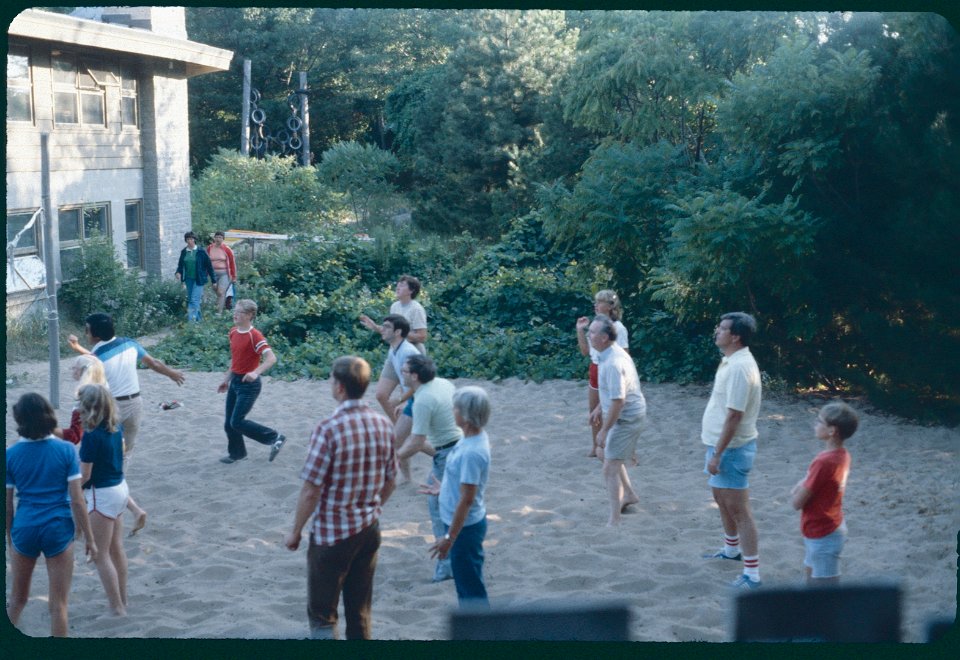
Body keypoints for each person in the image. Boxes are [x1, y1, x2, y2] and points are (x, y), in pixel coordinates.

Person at [284, 356, 398, 640]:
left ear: (340, 388)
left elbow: (311, 490)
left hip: (333, 532)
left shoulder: (329, 427)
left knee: (322, 614)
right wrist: (371, 507)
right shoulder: (383, 424)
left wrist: (296, 531)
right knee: (359, 611)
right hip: (369, 527)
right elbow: (391, 480)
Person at [6, 392, 98, 637]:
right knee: (59, 605)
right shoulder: (66, 450)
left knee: (17, 599)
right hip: (57, 526)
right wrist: (89, 537)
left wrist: (9, 538)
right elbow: (77, 500)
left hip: (24, 527)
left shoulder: (10, 454)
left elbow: (7, 506)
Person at [700, 312, 763, 589]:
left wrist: (718, 453)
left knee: (739, 509)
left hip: (732, 449)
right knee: (721, 498)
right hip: (719, 445)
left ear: (735, 336)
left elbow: (734, 415)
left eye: (722, 328)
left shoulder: (740, 367)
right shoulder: (731, 360)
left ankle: (752, 574)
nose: (717, 331)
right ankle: (731, 550)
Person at [54, 354, 147, 536]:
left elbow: (74, 436)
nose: (71, 371)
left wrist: (49, 428)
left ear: (82, 372)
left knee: (78, 486)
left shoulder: (84, 398)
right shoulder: (103, 389)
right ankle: (136, 510)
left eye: (74, 368)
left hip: (101, 483)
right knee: (111, 476)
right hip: (113, 452)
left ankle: (78, 528)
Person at [67, 311, 185, 455]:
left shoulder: (97, 355)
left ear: (95, 335)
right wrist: (171, 373)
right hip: (135, 403)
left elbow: (96, 360)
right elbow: (153, 363)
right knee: (126, 451)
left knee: (106, 450)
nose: (86, 333)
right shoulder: (130, 343)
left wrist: (77, 349)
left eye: (87, 330)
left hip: (111, 406)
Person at [420, 386, 492, 608]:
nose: (453, 411)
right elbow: (464, 485)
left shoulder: (472, 452)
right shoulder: (470, 437)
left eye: (456, 408)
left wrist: (449, 537)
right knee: (467, 585)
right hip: (464, 526)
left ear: (467, 417)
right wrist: (445, 489)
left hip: (465, 529)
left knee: (470, 591)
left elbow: (467, 499)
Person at [398, 354, 461, 582]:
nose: (402, 374)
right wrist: (408, 405)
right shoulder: (443, 384)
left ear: (414, 376)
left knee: (438, 507)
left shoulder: (423, 399)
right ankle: (456, 557)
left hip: (446, 453)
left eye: (404, 371)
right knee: (453, 504)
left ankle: (446, 566)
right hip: (461, 446)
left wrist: (394, 457)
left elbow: (415, 442)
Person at [580, 315, 646, 526]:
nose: (589, 336)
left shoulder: (613, 362)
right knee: (604, 454)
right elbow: (613, 394)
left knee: (609, 467)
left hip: (627, 418)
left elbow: (619, 401)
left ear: (605, 337)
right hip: (622, 414)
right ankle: (629, 494)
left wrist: (604, 430)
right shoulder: (606, 355)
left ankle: (614, 520)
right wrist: (599, 407)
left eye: (592, 333)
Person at [77, 384, 131, 616]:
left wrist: (70, 489)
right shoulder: (115, 427)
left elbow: (86, 474)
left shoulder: (91, 435)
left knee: (100, 554)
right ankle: (123, 599)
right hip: (120, 488)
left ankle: (117, 608)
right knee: (116, 548)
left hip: (103, 494)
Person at [791, 402, 859, 585]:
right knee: (811, 570)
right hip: (829, 524)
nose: (815, 424)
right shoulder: (842, 455)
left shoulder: (823, 462)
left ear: (832, 431)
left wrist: (797, 489)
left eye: (819, 421)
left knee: (826, 584)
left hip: (823, 531)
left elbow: (797, 502)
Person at [217, 298, 286, 464]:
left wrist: (255, 372)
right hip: (235, 382)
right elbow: (235, 360)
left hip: (250, 385)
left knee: (237, 421)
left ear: (249, 315)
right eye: (235, 311)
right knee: (229, 423)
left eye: (239, 312)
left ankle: (275, 437)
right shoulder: (233, 332)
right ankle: (237, 453)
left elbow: (271, 358)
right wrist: (226, 380)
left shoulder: (254, 336)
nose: (235, 314)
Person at [359, 274, 428, 419]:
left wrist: (402, 333)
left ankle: (407, 431)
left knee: (409, 395)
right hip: (395, 351)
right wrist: (375, 327)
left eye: (402, 285)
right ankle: (398, 427)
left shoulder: (416, 309)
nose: (398, 286)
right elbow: (391, 331)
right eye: (398, 283)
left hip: (412, 354)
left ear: (411, 290)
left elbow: (422, 336)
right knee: (381, 395)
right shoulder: (395, 306)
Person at [576, 290, 629, 458]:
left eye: (600, 302)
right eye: (596, 302)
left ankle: (629, 451)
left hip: (612, 369)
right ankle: (595, 446)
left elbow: (625, 356)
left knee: (617, 410)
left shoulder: (619, 328)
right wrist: (580, 331)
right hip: (596, 368)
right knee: (594, 410)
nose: (596, 305)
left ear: (610, 306)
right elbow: (585, 352)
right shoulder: (595, 326)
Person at [377, 314, 422, 483]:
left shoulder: (408, 352)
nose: (383, 329)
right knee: (403, 440)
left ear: (398, 332)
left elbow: (419, 382)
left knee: (408, 441)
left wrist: (402, 400)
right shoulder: (394, 349)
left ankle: (447, 454)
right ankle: (407, 479)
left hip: (420, 400)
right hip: (413, 400)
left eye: (387, 327)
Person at [174, 230, 216, 322]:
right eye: (188, 239)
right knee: (192, 300)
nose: (190, 241)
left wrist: (214, 281)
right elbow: (180, 265)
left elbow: (209, 266)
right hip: (188, 279)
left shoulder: (201, 251)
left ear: (194, 240)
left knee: (194, 300)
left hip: (199, 279)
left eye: (191, 239)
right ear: (186, 240)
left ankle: (191, 324)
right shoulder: (184, 252)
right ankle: (199, 321)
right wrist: (178, 272)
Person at [207, 230, 237, 314]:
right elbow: (206, 261)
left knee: (221, 292)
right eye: (216, 237)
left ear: (223, 239)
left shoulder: (227, 250)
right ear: (214, 238)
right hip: (213, 274)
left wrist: (234, 276)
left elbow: (232, 263)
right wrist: (205, 274)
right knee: (216, 290)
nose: (218, 239)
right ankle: (222, 303)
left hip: (224, 274)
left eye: (220, 237)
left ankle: (219, 313)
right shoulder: (210, 248)